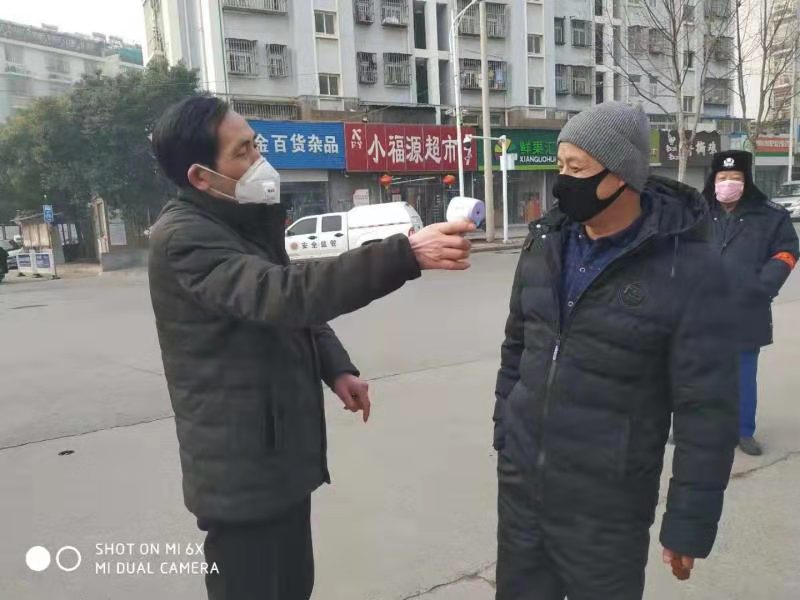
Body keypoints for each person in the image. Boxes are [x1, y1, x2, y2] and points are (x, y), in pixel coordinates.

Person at [147, 95, 475, 600]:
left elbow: (293, 308)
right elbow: (282, 294)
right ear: (201, 176)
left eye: (255, 144)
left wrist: (336, 368)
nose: (258, 158)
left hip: (278, 458)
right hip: (239, 473)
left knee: (294, 587)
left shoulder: (240, 220)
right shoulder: (184, 238)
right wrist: (405, 253)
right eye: (242, 152)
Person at [493, 102, 739, 599]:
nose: (563, 182)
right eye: (560, 166)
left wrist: (688, 521)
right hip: (523, 495)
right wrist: (507, 434)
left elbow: (706, 407)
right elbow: (517, 348)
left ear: (621, 175)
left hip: (608, 508)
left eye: (577, 168)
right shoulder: (545, 244)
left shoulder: (688, 267)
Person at [702, 150, 799, 456]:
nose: (728, 183)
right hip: (699, 309)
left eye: (736, 177)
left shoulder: (769, 215)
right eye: (722, 177)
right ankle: (696, 427)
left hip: (746, 308)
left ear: (747, 180)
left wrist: (761, 286)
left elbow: (787, 252)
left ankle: (744, 431)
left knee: (743, 374)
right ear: (713, 179)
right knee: (696, 372)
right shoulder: (697, 211)